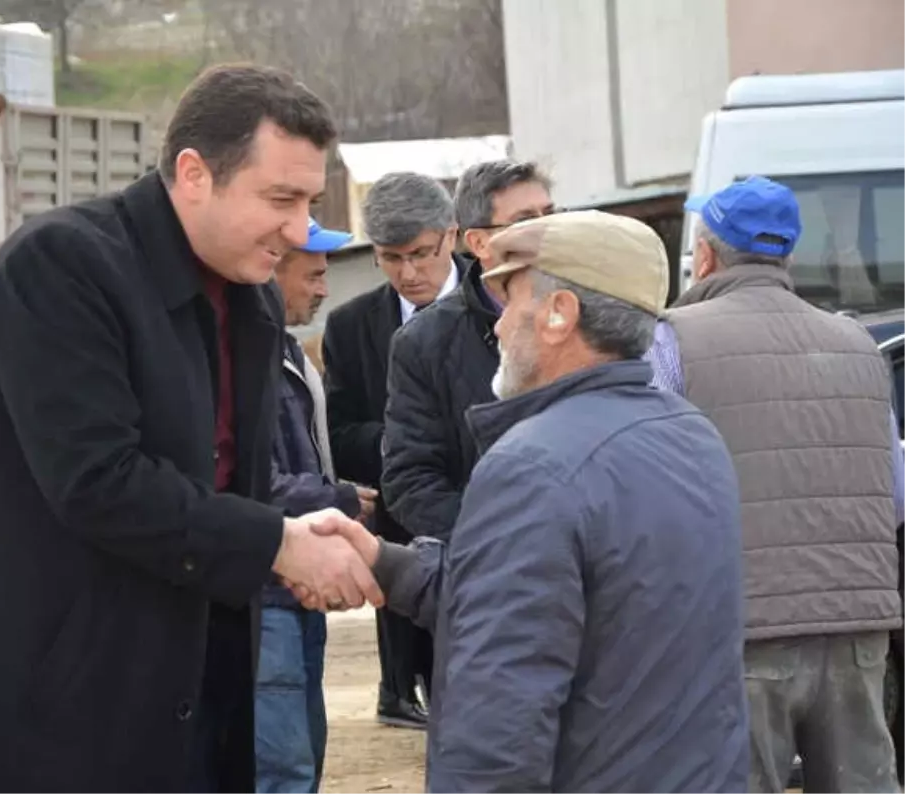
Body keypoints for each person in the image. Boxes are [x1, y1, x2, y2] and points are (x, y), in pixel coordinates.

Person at [0, 64, 383, 794]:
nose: (300, 226)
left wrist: (286, 546)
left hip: (185, 683)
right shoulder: (62, 267)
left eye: (309, 199)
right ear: (192, 174)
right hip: (36, 698)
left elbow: (220, 485)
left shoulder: (251, 298)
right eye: (280, 198)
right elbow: (98, 481)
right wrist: (279, 545)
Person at [305, 210, 751, 792]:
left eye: (511, 299)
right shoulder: (690, 434)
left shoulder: (534, 465)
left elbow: (499, 718)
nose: (499, 326)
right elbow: (570, 604)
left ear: (560, 313)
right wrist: (388, 563)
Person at [648, 175, 905, 794]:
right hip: (857, 624)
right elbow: (895, 493)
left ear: (705, 256)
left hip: (736, 626)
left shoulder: (670, 338)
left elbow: (649, 483)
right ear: (785, 255)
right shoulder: (858, 345)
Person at [322, 172, 462, 729]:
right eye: (390, 258)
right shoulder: (351, 327)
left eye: (421, 254)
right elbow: (336, 433)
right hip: (403, 515)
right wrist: (403, 442)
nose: (409, 272)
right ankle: (401, 688)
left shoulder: (501, 303)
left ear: (451, 235)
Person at [257, 217, 376, 794]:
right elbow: (252, 483)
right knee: (283, 770)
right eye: (314, 274)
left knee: (303, 756)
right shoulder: (246, 363)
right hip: (265, 596)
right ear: (270, 269)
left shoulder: (284, 352)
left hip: (293, 593)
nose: (324, 288)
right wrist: (341, 500)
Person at [382, 159, 555, 541]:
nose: (547, 230)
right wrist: (495, 540)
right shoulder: (423, 343)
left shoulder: (586, 311)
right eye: (526, 219)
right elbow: (410, 480)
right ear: (478, 242)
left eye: (551, 214)